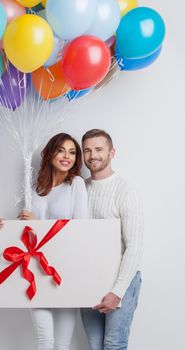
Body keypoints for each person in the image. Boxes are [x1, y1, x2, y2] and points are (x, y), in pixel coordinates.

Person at [0, 132, 88, 350]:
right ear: (50, 153)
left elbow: (81, 228)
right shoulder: (36, 188)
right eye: (61, 150)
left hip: (65, 269)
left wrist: (39, 222)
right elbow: (28, 231)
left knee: (62, 344)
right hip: (36, 270)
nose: (67, 156)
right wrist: (5, 227)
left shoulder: (76, 184)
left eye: (72, 152)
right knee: (45, 341)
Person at [80, 129, 143, 350]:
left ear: (111, 152)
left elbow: (134, 246)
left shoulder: (125, 191)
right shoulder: (80, 189)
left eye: (99, 149)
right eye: (87, 150)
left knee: (114, 345)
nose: (92, 155)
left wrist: (118, 291)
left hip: (121, 279)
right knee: (96, 346)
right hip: (89, 278)